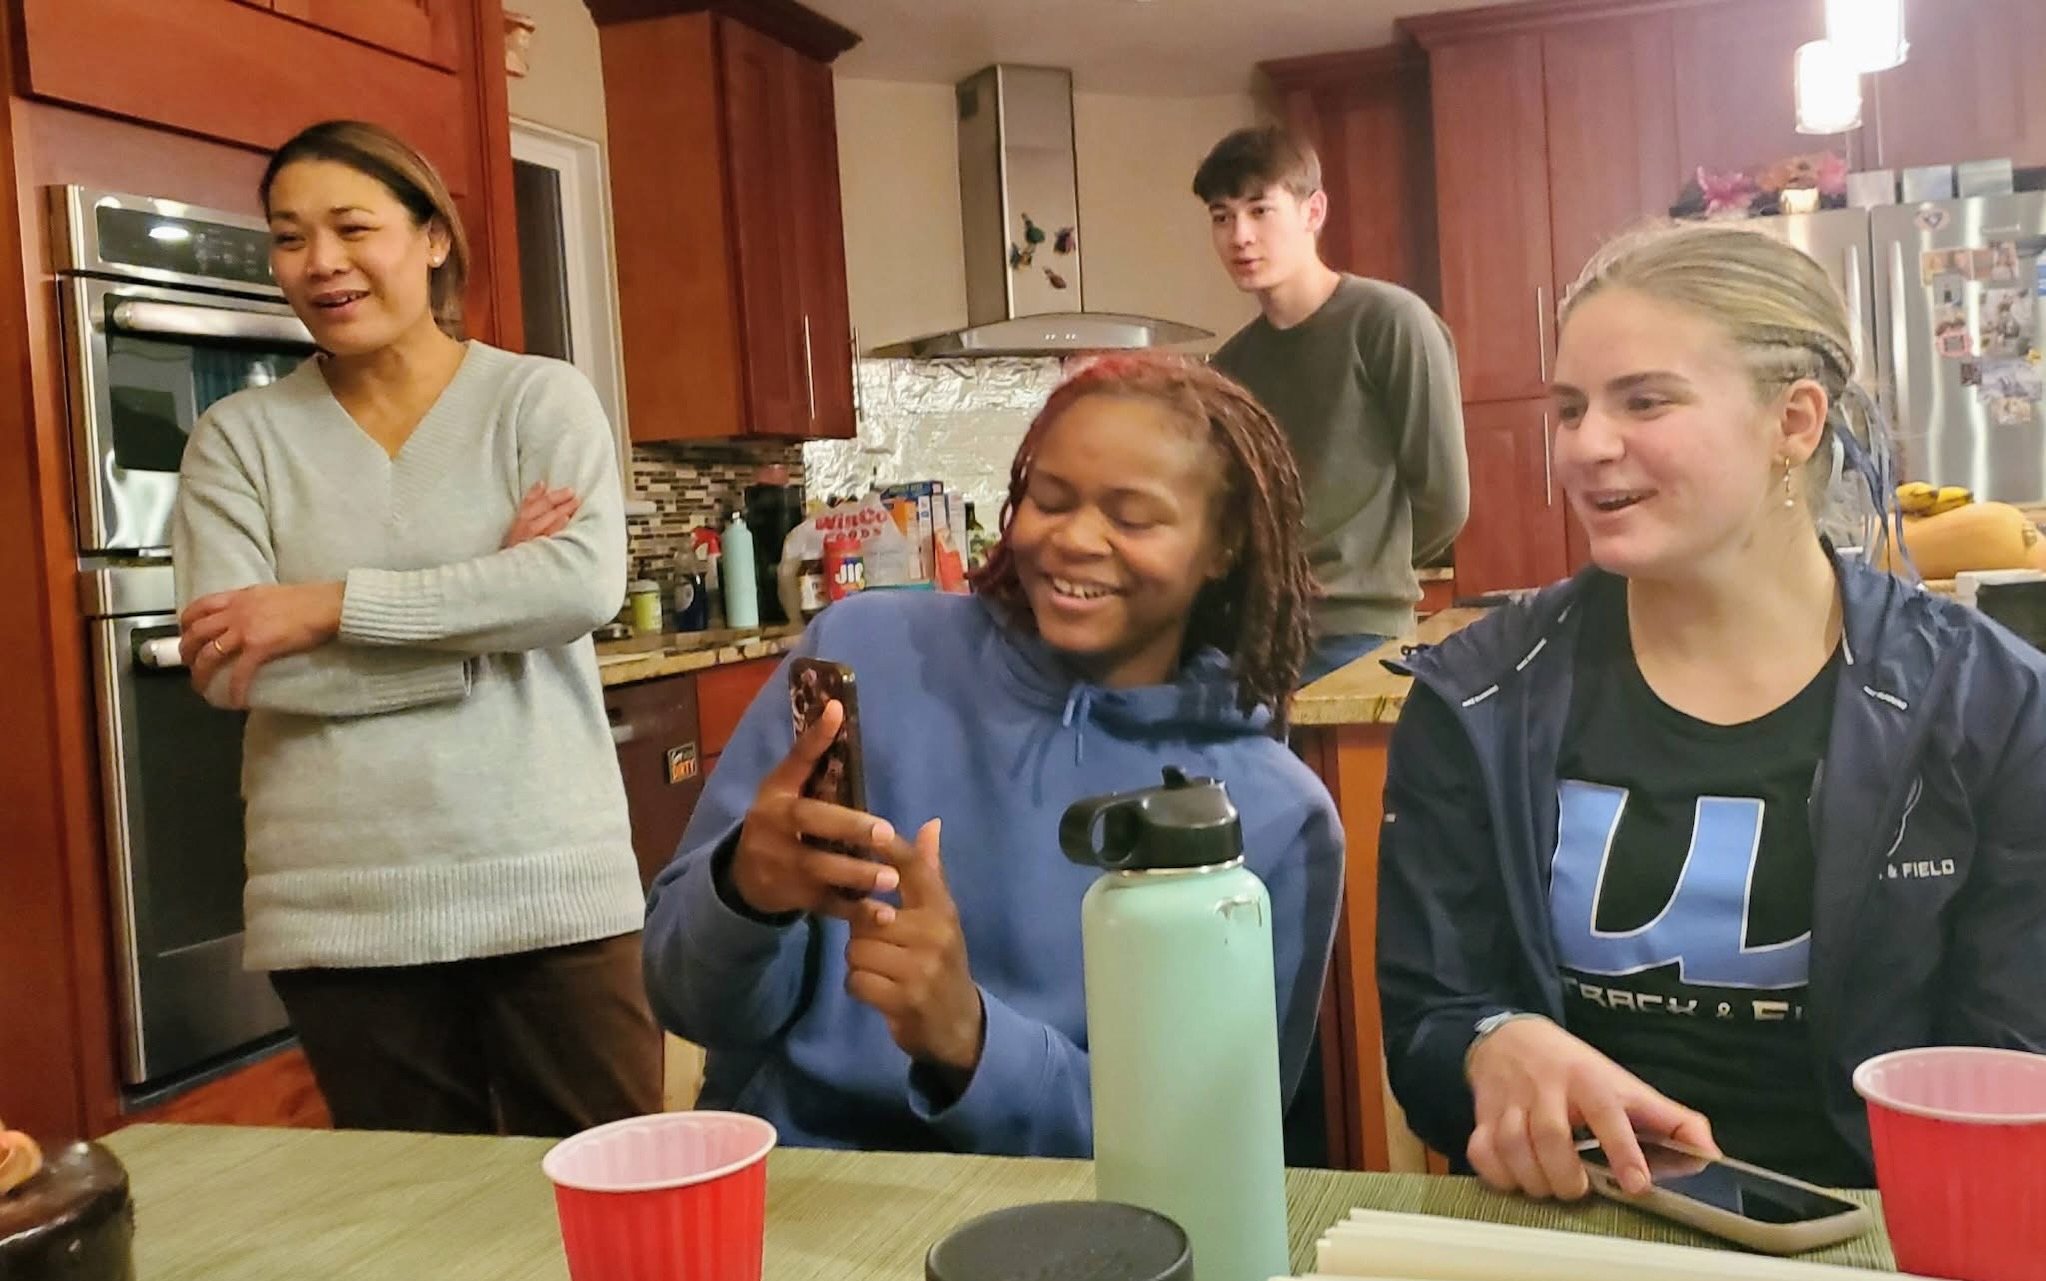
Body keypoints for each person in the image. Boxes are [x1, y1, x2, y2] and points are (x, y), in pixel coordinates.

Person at [1377, 221, 2046, 1198]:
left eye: (1645, 400)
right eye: (1571, 409)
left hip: (1881, 1229)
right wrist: (1490, 1045)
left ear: (1794, 423)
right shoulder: (1477, 696)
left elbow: (2013, 1068)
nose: (1587, 446)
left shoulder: (1990, 707)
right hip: (1574, 1221)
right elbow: (1428, 1028)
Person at [643, 353, 1344, 1155]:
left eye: (1133, 518)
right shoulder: (863, 655)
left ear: (1224, 546)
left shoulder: (1274, 816)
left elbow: (1210, 1146)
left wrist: (971, 1041)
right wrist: (745, 897)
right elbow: (685, 1001)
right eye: (1050, 500)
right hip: (799, 1190)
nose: (1074, 539)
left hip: (1078, 1219)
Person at [171, 120, 657, 1135]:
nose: (320, 262)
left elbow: (577, 586)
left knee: (610, 1182)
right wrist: (486, 616)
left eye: (353, 228)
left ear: (433, 238)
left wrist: (325, 606)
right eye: (290, 237)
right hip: (339, 904)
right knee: (417, 1211)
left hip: (545, 877)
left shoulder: (537, 399)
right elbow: (228, 666)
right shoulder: (237, 439)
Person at [1194, 125, 1468, 683]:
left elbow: (1444, 500)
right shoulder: (1229, 368)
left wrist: (1366, 571)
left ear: (1313, 212)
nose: (1240, 236)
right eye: (1222, 217)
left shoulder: (1391, 322)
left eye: (1260, 210)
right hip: (1259, 638)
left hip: (1358, 636)